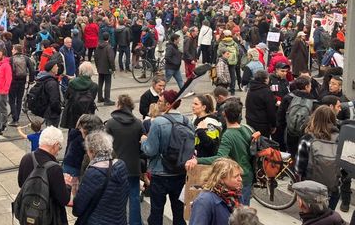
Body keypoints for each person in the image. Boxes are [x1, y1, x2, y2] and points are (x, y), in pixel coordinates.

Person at [187, 99, 253, 205]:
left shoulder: (228, 135)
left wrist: (197, 160)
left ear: (224, 114)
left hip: (235, 177)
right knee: (244, 210)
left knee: (236, 211)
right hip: (248, 175)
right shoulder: (247, 129)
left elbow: (220, 157)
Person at [141, 90, 194, 225]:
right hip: (180, 171)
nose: (157, 103)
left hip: (160, 172)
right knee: (178, 212)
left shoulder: (158, 122)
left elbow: (150, 150)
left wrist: (143, 142)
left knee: (156, 212)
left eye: (160, 101)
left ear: (168, 104)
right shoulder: (187, 121)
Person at [72, 130, 129, 225]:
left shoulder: (93, 173)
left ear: (92, 151)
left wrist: (74, 192)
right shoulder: (121, 165)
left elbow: (77, 210)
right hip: (119, 221)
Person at [18, 126, 71, 224]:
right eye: (59, 147)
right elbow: (64, 200)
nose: (58, 151)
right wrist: (67, 184)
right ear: (55, 145)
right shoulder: (55, 168)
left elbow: (21, 184)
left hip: (28, 212)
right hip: (48, 218)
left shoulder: (26, 158)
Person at [105, 95, 142, 225]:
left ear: (119, 105)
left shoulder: (111, 123)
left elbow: (106, 146)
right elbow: (141, 146)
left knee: (115, 197)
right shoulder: (138, 123)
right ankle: (135, 222)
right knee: (134, 197)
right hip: (133, 166)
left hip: (115, 166)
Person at [295, 106, 341, 210]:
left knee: (310, 218)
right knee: (328, 216)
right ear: (333, 120)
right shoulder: (340, 139)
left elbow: (298, 169)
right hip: (332, 189)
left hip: (310, 190)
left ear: (314, 118)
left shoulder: (306, 139)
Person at [188, 158, 244, 225]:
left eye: (240, 175)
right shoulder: (204, 201)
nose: (240, 179)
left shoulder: (237, 195)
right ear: (221, 179)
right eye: (236, 176)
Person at [277, 76, 318, 159]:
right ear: (307, 86)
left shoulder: (288, 98)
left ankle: (291, 169)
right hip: (305, 135)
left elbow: (280, 117)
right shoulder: (314, 102)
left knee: (292, 155)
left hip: (289, 132)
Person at [60, 61, 98, 130]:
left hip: (73, 115)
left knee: (72, 134)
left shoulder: (72, 83)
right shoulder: (94, 86)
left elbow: (66, 96)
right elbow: (93, 98)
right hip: (87, 114)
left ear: (80, 71)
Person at [8, 44, 35, 126]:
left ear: (15, 50)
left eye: (13, 49)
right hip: (22, 81)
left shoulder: (11, 59)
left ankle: (14, 118)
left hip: (13, 81)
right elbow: (31, 69)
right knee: (19, 100)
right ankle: (17, 118)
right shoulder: (26, 58)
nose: (12, 50)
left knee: (12, 100)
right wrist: (31, 80)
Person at [245, 70, 277, 137]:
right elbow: (271, 111)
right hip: (262, 124)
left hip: (250, 121)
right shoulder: (267, 92)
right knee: (263, 144)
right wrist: (274, 125)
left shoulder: (251, 89)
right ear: (265, 79)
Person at [36, 59, 64, 127]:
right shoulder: (52, 83)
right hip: (52, 113)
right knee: (52, 132)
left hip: (47, 110)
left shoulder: (44, 78)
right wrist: (58, 110)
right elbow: (54, 100)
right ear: (52, 69)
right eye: (56, 66)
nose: (58, 68)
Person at [94, 32, 115, 105]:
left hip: (100, 67)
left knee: (100, 83)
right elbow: (111, 59)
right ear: (108, 38)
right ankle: (107, 100)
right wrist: (113, 69)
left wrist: (97, 66)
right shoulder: (108, 47)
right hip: (107, 68)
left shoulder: (98, 46)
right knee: (108, 84)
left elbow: (95, 57)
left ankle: (99, 98)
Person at [0, 49, 12, 129]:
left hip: (2, 91)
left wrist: (5, 90)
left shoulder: (6, 65)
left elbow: (9, 79)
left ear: (3, 56)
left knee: (2, 108)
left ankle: (3, 124)